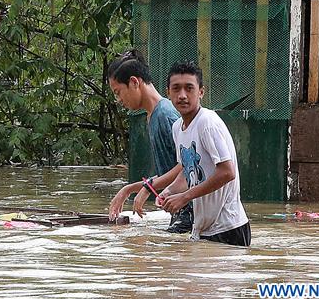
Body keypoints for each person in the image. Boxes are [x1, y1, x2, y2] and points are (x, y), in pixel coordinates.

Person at [157, 61, 250, 247]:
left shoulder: (207, 123)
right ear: (168, 93)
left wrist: (185, 197)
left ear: (201, 92)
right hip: (204, 229)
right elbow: (188, 172)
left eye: (189, 88)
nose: (182, 95)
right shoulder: (177, 127)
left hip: (228, 228)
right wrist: (170, 191)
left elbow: (227, 172)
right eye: (176, 88)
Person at [106, 50, 192, 234]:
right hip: (180, 211)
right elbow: (170, 172)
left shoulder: (165, 115)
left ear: (134, 82)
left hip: (190, 211)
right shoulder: (153, 115)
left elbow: (187, 166)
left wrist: (148, 187)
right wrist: (129, 189)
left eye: (118, 92)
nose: (119, 100)